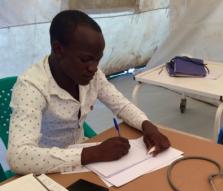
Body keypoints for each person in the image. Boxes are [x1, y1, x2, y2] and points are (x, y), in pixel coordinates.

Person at [7, 10, 170, 174]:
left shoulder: (92, 75)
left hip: (80, 158)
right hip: (45, 169)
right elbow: (19, 158)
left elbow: (121, 105)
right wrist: (94, 153)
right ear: (58, 49)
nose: (93, 68)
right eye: (85, 60)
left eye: (97, 59)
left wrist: (148, 126)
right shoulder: (32, 86)